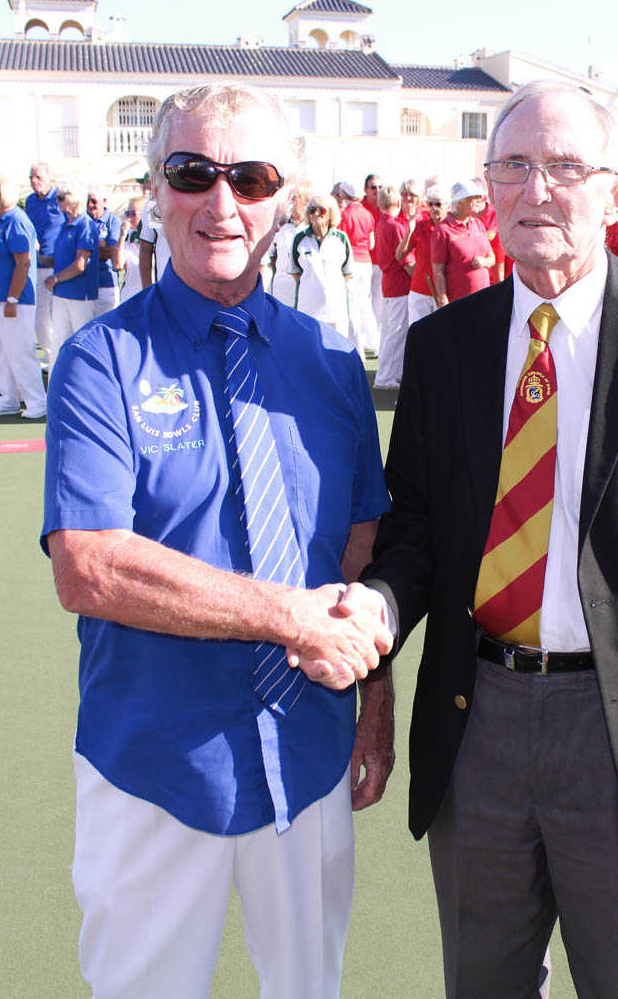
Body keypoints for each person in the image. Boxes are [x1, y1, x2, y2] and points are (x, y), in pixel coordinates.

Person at [353, 79, 618, 998]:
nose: (536, 190)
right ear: (488, 185)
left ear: (615, 190)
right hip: (479, 725)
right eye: (513, 167)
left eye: (562, 167)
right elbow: (419, 529)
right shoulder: (446, 347)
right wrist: (380, 604)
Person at [41, 81, 392, 999]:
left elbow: (360, 554)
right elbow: (90, 566)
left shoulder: (330, 362)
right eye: (194, 173)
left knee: (311, 987)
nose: (222, 202)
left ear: (287, 197)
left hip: (308, 754)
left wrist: (378, 703)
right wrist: (291, 619)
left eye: (251, 175)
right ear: (156, 189)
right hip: (157, 763)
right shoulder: (101, 361)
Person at [0, 176, 47, 419]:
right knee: (0, 351)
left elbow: (23, 263)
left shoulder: (16, 220)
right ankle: (8, 398)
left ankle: (37, 400)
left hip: (12, 300)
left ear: (1, 196)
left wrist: (12, 299)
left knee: (19, 351)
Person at [45, 181, 99, 357]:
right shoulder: (64, 225)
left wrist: (55, 279)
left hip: (79, 295)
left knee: (83, 344)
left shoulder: (85, 225)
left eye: (61, 198)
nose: (57, 202)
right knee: (58, 343)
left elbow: (79, 265)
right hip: (61, 294)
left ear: (73, 199)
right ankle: (55, 383)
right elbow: (61, 258)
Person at [291, 193, 354, 339]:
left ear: (331, 213)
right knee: (308, 352)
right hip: (307, 308)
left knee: (337, 352)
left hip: (335, 309)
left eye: (322, 210)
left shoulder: (341, 239)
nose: (316, 214)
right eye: (312, 210)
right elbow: (295, 272)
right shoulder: (300, 239)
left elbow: (347, 272)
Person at [373, 184, 414, 389]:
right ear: (397, 202)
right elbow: (405, 260)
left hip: (389, 281)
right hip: (399, 283)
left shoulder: (381, 223)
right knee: (397, 332)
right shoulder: (395, 226)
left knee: (391, 330)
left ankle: (390, 373)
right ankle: (385, 376)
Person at [25, 162, 65, 370]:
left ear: (49, 178)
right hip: (36, 265)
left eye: (38, 177)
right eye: (31, 177)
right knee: (40, 313)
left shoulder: (59, 198)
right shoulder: (30, 201)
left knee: (57, 313)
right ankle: (50, 355)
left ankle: (58, 356)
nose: (34, 181)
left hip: (58, 265)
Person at [431, 180, 495, 305]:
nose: (478, 200)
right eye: (473, 197)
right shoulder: (443, 229)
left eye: (479, 197)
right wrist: (443, 301)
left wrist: (484, 261)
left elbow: (492, 258)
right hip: (459, 303)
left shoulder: (478, 224)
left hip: (484, 299)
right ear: (459, 202)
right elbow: (438, 271)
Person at [338, 181, 380, 355]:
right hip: (366, 261)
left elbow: (342, 243)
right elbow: (371, 244)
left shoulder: (345, 215)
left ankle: (358, 347)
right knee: (366, 304)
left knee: (353, 305)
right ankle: (375, 344)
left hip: (352, 263)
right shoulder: (367, 214)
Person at [397, 184, 447, 326]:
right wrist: (409, 231)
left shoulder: (451, 227)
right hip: (420, 290)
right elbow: (399, 256)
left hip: (443, 291)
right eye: (430, 204)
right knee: (418, 335)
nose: (433, 208)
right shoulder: (421, 226)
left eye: (438, 204)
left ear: (447, 206)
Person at [268, 178, 311, 307]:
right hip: (280, 294)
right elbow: (270, 259)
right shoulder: (279, 226)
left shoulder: (311, 229)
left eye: (295, 198)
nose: (291, 202)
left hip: (305, 296)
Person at [86, 186, 123, 317]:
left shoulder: (114, 222)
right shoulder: (83, 220)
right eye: (88, 201)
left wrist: (85, 249)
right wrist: (100, 245)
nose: (90, 205)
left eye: (94, 201)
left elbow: (112, 253)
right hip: (85, 284)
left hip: (106, 284)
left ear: (104, 201)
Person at [362, 174, 385, 329]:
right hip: (364, 261)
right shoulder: (361, 207)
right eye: (373, 187)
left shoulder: (385, 206)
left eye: (379, 187)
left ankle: (376, 330)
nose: (377, 190)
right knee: (363, 299)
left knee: (378, 299)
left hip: (381, 261)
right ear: (366, 190)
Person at [117, 195, 148, 304]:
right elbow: (118, 265)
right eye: (127, 214)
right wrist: (122, 236)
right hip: (129, 296)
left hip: (149, 295)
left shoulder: (156, 238)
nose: (128, 218)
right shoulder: (127, 238)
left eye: (132, 214)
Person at [137, 197, 171, 287]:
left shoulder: (205, 193)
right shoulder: (156, 199)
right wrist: (147, 290)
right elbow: (146, 245)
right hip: (166, 283)